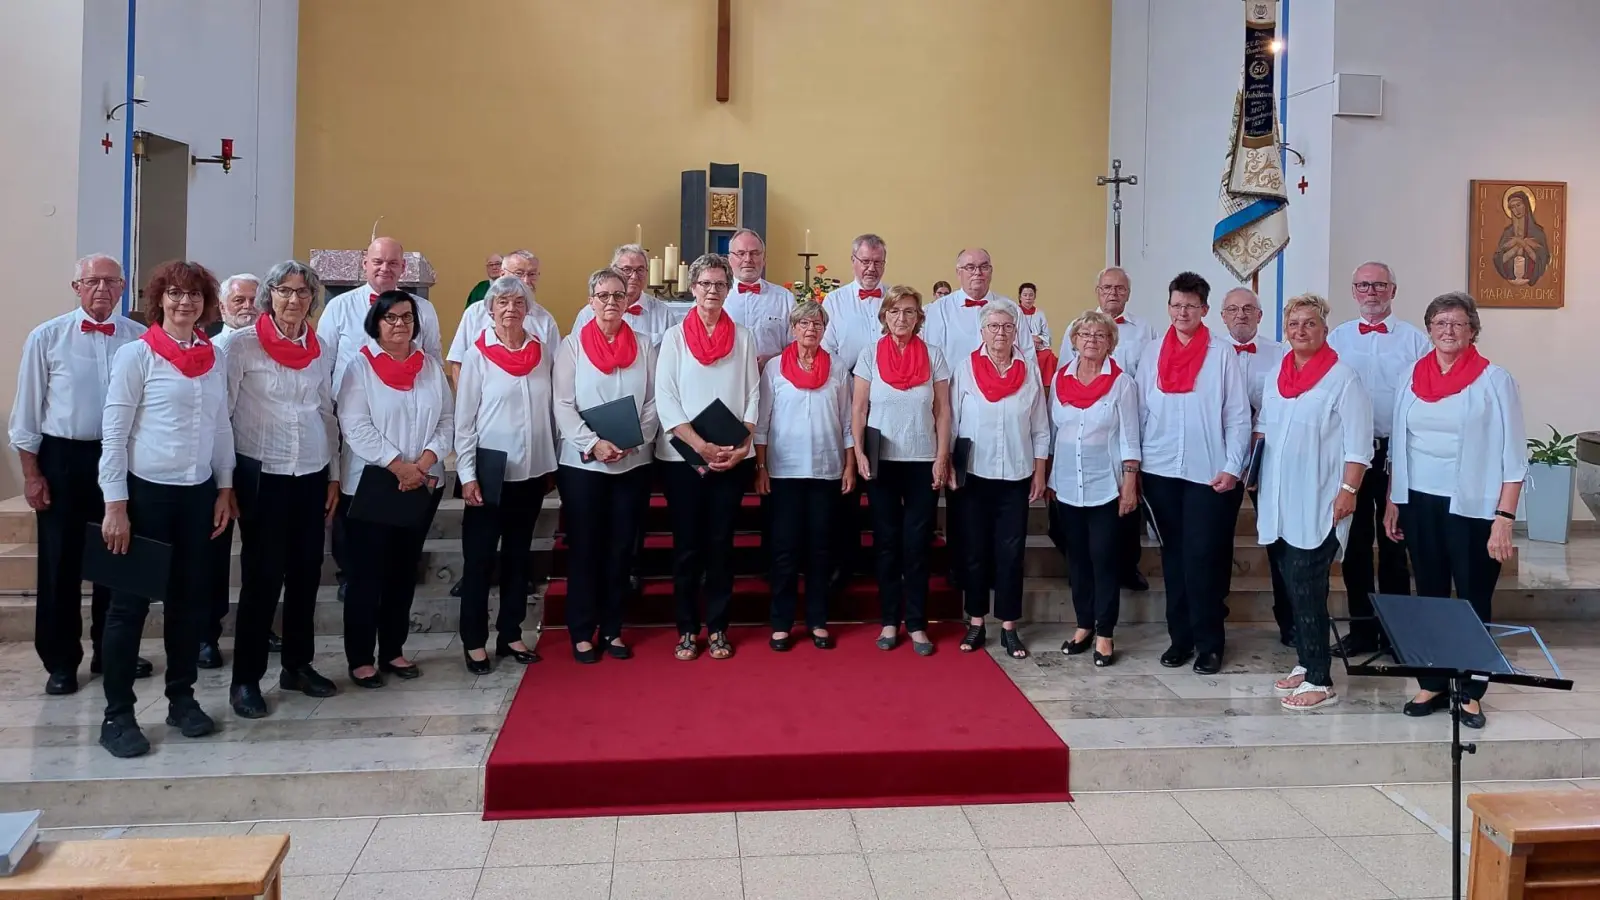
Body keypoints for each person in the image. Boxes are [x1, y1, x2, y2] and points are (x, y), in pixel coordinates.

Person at [96, 260, 236, 758]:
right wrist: (115, 504)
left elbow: (220, 426)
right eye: (175, 294)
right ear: (160, 300)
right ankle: (117, 715)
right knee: (128, 609)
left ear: (205, 304)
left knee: (189, 604)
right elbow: (114, 432)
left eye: (195, 295)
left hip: (197, 495)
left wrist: (224, 488)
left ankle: (182, 699)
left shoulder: (212, 357)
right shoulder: (137, 356)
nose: (185, 303)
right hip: (145, 494)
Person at [9, 254, 152, 695]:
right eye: (92, 282)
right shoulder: (47, 337)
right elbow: (26, 416)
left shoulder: (141, 337)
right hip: (65, 459)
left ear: (124, 287)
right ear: (76, 287)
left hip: (122, 459)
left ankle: (111, 651)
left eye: (111, 281)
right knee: (60, 564)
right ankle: (60, 661)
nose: (102, 289)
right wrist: (33, 475)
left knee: (116, 559)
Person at [1387, 292, 1525, 730]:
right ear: (1428, 329)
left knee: (1471, 596)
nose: (1448, 330)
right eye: (1440, 322)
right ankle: (1431, 680)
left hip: (1473, 505)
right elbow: (1399, 441)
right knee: (1428, 592)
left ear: (1473, 330)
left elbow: (1514, 455)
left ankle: (1470, 689)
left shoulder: (1494, 379)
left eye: (1458, 323)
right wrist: (1394, 499)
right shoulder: (1411, 374)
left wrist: (1504, 518)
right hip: (1420, 501)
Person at [223, 261, 341, 718]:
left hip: (310, 473)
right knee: (262, 579)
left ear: (313, 299)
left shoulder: (321, 347)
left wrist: (333, 473)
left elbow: (326, 412)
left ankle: (297, 664)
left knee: (307, 574)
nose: (295, 301)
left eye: (304, 292)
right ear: (269, 296)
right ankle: (246, 679)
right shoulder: (241, 346)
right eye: (285, 292)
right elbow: (223, 416)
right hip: (263, 475)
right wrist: (225, 482)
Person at [1255, 294, 1373, 711]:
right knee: (1293, 586)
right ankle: (1306, 662)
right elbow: (1266, 431)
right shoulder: (1277, 375)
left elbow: (1360, 447)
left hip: (1321, 497)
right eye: (1293, 325)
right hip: (1281, 498)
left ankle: (1322, 680)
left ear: (1324, 329)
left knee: (1309, 586)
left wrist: (1349, 491)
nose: (1300, 331)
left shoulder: (1343, 378)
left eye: (1309, 324)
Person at [337, 290, 452, 688]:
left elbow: (447, 420)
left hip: (418, 483)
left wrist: (422, 464)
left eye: (407, 317)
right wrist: (398, 465)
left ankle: (393, 649)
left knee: (403, 572)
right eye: (391, 318)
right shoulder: (360, 367)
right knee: (367, 575)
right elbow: (354, 425)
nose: (400, 324)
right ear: (377, 322)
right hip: (372, 485)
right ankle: (360, 657)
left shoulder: (430, 368)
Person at [1137, 272, 1251, 675]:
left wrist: (1232, 467)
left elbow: (1237, 416)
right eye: (1176, 304)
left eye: (1190, 305)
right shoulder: (1151, 353)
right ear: (1168, 307)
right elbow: (1140, 412)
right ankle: (1180, 639)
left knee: (1204, 558)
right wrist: (1135, 467)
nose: (1182, 311)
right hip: (1161, 469)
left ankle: (1209, 643)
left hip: (1208, 473)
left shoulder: (1221, 354)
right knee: (1174, 558)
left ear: (1204, 310)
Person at [318, 237, 443, 600]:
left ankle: (399, 568)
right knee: (353, 501)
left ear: (403, 268)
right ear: (365, 264)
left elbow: (431, 356)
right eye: (377, 262)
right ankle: (349, 570)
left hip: (413, 424)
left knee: (404, 514)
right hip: (353, 421)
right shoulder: (340, 307)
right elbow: (324, 363)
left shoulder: (423, 310)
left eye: (392, 263)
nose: (384, 268)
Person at [655, 253, 760, 661]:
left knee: (720, 546)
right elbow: (666, 397)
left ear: (728, 289)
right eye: (705, 284)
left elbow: (753, 394)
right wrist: (699, 445)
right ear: (693, 288)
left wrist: (742, 446)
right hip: (683, 458)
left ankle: (717, 628)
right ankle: (686, 629)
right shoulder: (675, 338)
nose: (712, 291)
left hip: (731, 458)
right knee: (687, 548)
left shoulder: (745, 337)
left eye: (720, 284)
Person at [553, 268, 659, 663]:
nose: (611, 302)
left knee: (620, 550)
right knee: (585, 549)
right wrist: (593, 444)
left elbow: (653, 403)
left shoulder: (646, 345)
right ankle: (582, 630)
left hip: (632, 464)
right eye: (603, 295)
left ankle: (613, 628)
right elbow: (562, 403)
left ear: (628, 300)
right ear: (591, 301)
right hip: (583, 467)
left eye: (618, 295)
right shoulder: (571, 346)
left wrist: (633, 440)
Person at [453, 275, 554, 673]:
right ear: (490, 310)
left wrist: (549, 463)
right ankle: (474, 641)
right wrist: (466, 474)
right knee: (479, 560)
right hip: (489, 473)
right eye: (503, 303)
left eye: (518, 302)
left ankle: (510, 632)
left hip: (529, 472)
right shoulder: (478, 355)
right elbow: (465, 421)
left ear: (528, 309)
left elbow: (547, 411)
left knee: (518, 557)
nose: (511, 309)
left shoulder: (541, 351)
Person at [1326, 261, 1427, 656]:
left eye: (1379, 285)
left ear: (1393, 291)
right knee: (1354, 546)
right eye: (1364, 285)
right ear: (1353, 292)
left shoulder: (1415, 341)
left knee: (1394, 544)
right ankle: (1364, 631)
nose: (1371, 292)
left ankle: (1398, 632)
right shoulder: (1337, 338)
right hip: (1351, 453)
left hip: (1393, 453)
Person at [852, 285, 952, 656]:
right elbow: (859, 408)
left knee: (917, 545)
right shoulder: (869, 355)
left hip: (922, 461)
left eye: (909, 312)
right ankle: (890, 620)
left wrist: (942, 456)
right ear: (884, 316)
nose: (902, 318)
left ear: (919, 318)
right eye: (895, 312)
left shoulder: (935, 355)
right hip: (881, 463)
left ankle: (917, 623)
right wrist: (859, 452)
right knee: (888, 543)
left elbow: (942, 411)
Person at [950, 299, 1048, 660]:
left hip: (1017, 474)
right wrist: (948, 464)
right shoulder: (965, 368)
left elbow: (1040, 427)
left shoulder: (1029, 370)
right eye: (994, 327)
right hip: (974, 475)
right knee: (974, 551)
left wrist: (1039, 470)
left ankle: (1009, 625)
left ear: (1016, 330)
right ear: (982, 331)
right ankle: (976, 621)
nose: (1001, 333)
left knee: (1010, 554)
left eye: (1008, 326)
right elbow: (953, 421)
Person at [755, 300, 855, 651]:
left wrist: (850, 464)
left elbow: (846, 423)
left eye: (817, 323)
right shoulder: (774, 370)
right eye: (804, 323)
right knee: (784, 551)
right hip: (784, 472)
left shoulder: (839, 368)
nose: (811, 329)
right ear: (793, 329)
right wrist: (762, 466)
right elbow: (762, 423)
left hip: (826, 471)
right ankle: (782, 623)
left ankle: (817, 620)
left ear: (825, 330)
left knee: (820, 550)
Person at [1050, 311, 1140, 667]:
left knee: (1104, 559)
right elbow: (1055, 434)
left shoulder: (1122, 384)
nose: (1091, 340)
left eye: (1099, 335)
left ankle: (1105, 632)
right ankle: (1083, 624)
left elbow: (1131, 437)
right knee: (1077, 560)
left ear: (1110, 344)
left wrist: (1130, 483)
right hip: (1068, 484)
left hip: (1106, 485)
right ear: (1073, 341)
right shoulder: (1059, 381)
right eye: (1084, 334)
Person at [1062, 266, 1158, 593]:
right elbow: (1065, 374)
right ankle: (1081, 565)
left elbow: (1150, 376)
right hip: (1088, 423)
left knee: (1126, 503)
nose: (1113, 293)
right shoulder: (1078, 328)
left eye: (1119, 288)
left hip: (1129, 419)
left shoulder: (1144, 329)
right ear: (1097, 291)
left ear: (1128, 293)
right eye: (1107, 287)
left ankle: (1127, 566)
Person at [1217, 286, 1291, 645]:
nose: (1241, 315)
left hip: (1267, 452)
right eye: (1233, 309)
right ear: (1222, 316)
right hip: (1223, 457)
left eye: (1249, 309)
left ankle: (1289, 619)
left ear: (1260, 316)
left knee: (1279, 538)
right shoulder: (1210, 353)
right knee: (1216, 539)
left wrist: (1256, 434)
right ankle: (1215, 613)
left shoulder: (1280, 354)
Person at [820, 233, 889, 588]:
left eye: (877, 262)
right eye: (865, 261)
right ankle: (842, 564)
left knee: (878, 489)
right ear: (853, 262)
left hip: (885, 409)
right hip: (846, 403)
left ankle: (881, 565)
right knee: (845, 490)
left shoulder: (894, 301)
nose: (871, 268)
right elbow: (828, 355)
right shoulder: (834, 301)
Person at [198, 273, 260, 670]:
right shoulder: (211, 351)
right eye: (238, 300)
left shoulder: (269, 349)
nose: (247, 306)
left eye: (254, 299)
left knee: (261, 552)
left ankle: (258, 625)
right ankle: (206, 633)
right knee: (214, 555)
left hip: (257, 464)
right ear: (221, 308)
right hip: (217, 463)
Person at [448, 250, 560, 381]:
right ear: (502, 275)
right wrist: (464, 399)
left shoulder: (545, 320)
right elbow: (457, 363)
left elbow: (556, 369)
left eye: (532, 274)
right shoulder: (475, 313)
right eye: (519, 273)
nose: (526, 281)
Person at [571, 244, 674, 348]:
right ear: (614, 271)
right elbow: (575, 351)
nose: (634, 276)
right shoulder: (588, 313)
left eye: (640, 270)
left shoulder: (664, 314)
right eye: (627, 269)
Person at [722, 228, 794, 368]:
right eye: (741, 253)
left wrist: (773, 360)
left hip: (772, 379)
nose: (748, 259)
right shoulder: (714, 296)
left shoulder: (785, 299)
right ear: (729, 259)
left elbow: (797, 344)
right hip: (726, 379)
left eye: (754, 253)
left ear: (764, 259)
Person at [1016, 282, 1053, 353]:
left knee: (1048, 355)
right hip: (1020, 348)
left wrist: (1039, 339)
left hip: (1038, 348)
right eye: (1025, 295)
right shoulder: (1015, 313)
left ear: (1035, 297)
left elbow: (1047, 336)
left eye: (1031, 295)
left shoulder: (1040, 314)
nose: (1028, 298)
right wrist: (1030, 339)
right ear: (1020, 297)